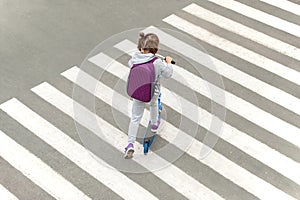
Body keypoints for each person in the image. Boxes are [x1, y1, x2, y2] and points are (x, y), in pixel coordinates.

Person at [124, 32, 173, 159]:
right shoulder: (157, 62)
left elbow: (130, 64)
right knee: (153, 105)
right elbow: (167, 74)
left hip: (138, 92)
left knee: (135, 118)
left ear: (141, 47)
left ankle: (130, 144)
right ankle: (154, 124)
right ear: (155, 49)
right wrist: (168, 62)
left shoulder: (134, 58)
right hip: (152, 93)